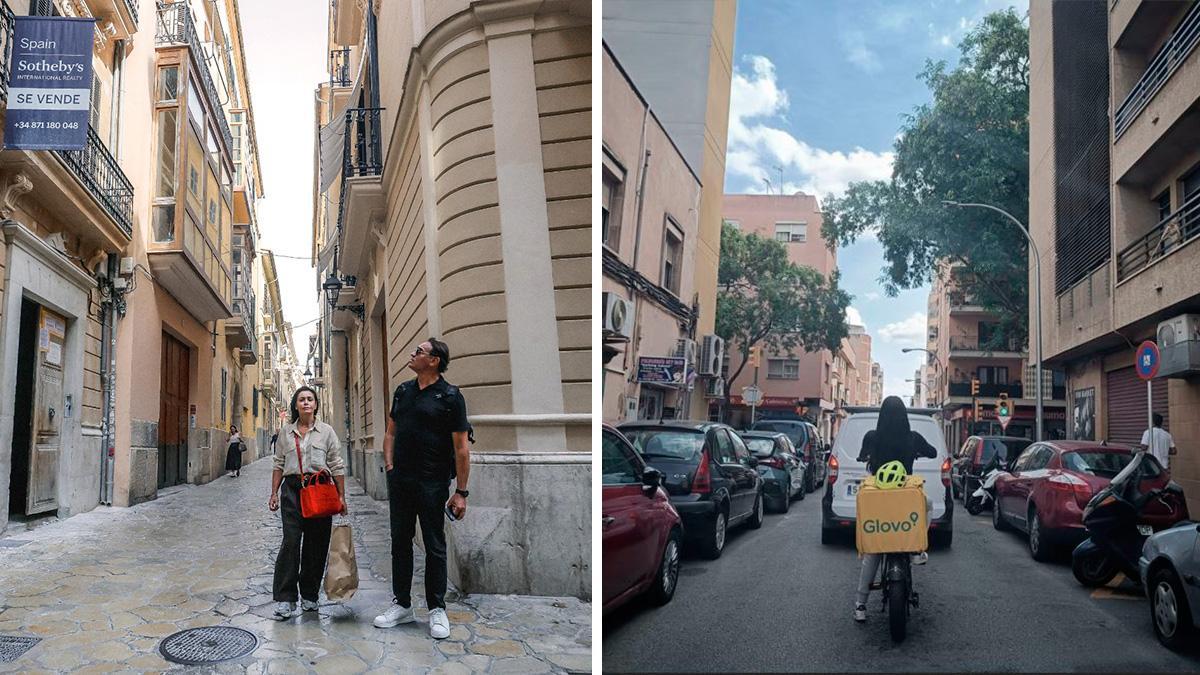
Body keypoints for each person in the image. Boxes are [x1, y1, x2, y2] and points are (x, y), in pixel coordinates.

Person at [374, 338, 471, 640]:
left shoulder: (451, 397)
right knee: (399, 541)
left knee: (434, 544)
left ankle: (436, 609)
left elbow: (462, 449)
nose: (412, 354)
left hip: (433, 482)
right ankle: (402, 605)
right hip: (401, 481)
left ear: (434, 361)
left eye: (419, 352)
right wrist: (389, 464)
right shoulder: (403, 391)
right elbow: (391, 431)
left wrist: (461, 492)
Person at [853, 396, 937, 623]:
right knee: (928, 505)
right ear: (904, 416)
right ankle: (917, 549)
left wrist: (867, 456)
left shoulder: (872, 437)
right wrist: (917, 452)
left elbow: (862, 456)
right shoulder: (912, 437)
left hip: (879, 498)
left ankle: (860, 605)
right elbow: (933, 453)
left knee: (873, 551)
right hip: (905, 497)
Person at [268, 386, 347, 620]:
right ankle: (285, 599)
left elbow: (336, 464)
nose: (305, 403)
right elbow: (278, 463)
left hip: (320, 489)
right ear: (295, 405)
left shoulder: (327, 432)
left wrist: (341, 496)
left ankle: (310, 596)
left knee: (316, 544)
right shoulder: (286, 433)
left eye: (310, 399)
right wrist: (273, 493)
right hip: (292, 490)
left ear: (315, 404)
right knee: (291, 542)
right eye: (301, 399)